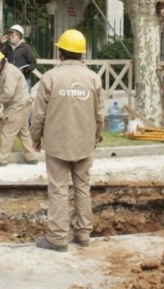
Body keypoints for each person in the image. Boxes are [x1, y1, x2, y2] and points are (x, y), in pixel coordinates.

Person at [30, 29, 104, 252]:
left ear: (60, 53)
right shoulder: (93, 79)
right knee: (83, 188)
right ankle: (83, 235)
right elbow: (100, 114)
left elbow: (38, 114)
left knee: (58, 190)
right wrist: (96, 137)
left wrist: (35, 138)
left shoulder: (50, 77)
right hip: (84, 143)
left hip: (56, 144)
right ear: (82, 54)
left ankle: (58, 238)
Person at [0, 50, 39, 166]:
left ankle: (1, 160)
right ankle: (31, 157)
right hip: (24, 105)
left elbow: (8, 93)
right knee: (24, 132)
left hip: (17, 107)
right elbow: (3, 89)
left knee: (7, 132)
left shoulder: (9, 72)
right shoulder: (7, 70)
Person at [0, 24, 37, 90]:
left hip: (24, 79)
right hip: (11, 80)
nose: (10, 37)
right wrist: (1, 43)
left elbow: (33, 63)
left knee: (25, 99)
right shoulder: (8, 48)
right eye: (10, 35)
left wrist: (24, 70)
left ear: (19, 36)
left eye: (12, 35)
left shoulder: (25, 48)